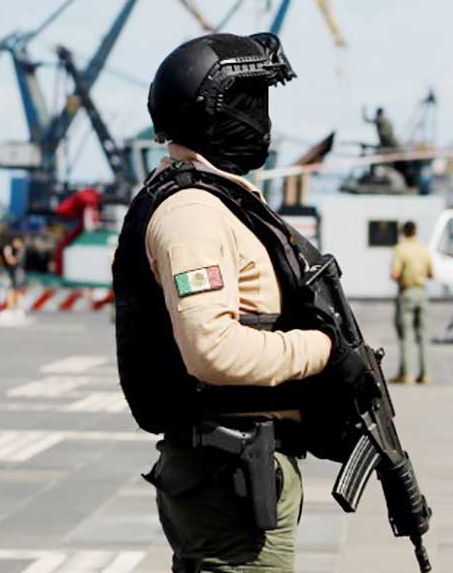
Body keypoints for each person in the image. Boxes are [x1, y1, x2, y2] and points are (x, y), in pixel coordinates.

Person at [112, 32, 362, 572]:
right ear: (211, 111)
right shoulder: (192, 213)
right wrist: (322, 349)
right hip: (228, 477)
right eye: (250, 102)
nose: (261, 119)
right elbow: (213, 350)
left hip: (241, 469)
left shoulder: (219, 201)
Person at [390, 220, 433, 384]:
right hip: (422, 292)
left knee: (406, 334)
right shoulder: (424, 249)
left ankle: (406, 374)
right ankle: (425, 374)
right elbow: (431, 274)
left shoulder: (400, 249)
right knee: (423, 335)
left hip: (407, 293)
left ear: (402, 232)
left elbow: (395, 274)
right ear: (416, 232)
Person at [2, 237, 26, 314]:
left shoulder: (21, 251)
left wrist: (7, 254)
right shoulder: (20, 251)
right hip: (17, 272)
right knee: (15, 289)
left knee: (17, 289)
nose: (14, 244)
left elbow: (13, 262)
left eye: (16, 242)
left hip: (18, 272)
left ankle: (17, 307)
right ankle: (15, 307)